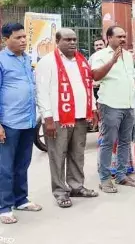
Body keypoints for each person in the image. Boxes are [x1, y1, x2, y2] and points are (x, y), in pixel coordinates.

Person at [36, 28, 99, 208]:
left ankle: (76, 186)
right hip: (57, 118)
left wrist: (93, 108)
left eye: (74, 40)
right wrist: (47, 118)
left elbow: (88, 86)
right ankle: (60, 191)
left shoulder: (81, 60)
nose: (72, 43)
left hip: (80, 116)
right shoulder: (48, 62)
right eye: (67, 40)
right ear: (58, 41)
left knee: (77, 154)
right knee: (58, 155)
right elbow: (42, 92)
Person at [92, 26, 135, 193]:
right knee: (108, 142)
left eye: (124, 36)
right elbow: (96, 76)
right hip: (110, 105)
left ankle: (121, 175)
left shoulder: (128, 56)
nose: (123, 39)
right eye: (119, 36)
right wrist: (112, 60)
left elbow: (128, 76)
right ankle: (105, 179)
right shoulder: (99, 56)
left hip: (128, 105)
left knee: (125, 141)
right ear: (109, 38)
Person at [0, 23, 42, 224]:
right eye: (18, 37)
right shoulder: (1, 60)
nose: (23, 40)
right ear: (5, 40)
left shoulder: (26, 59)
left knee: (22, 164)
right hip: (9, 122)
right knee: (5, 166)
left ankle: (21, 199)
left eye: (25, 37)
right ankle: (4, 207)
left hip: (28, 120)